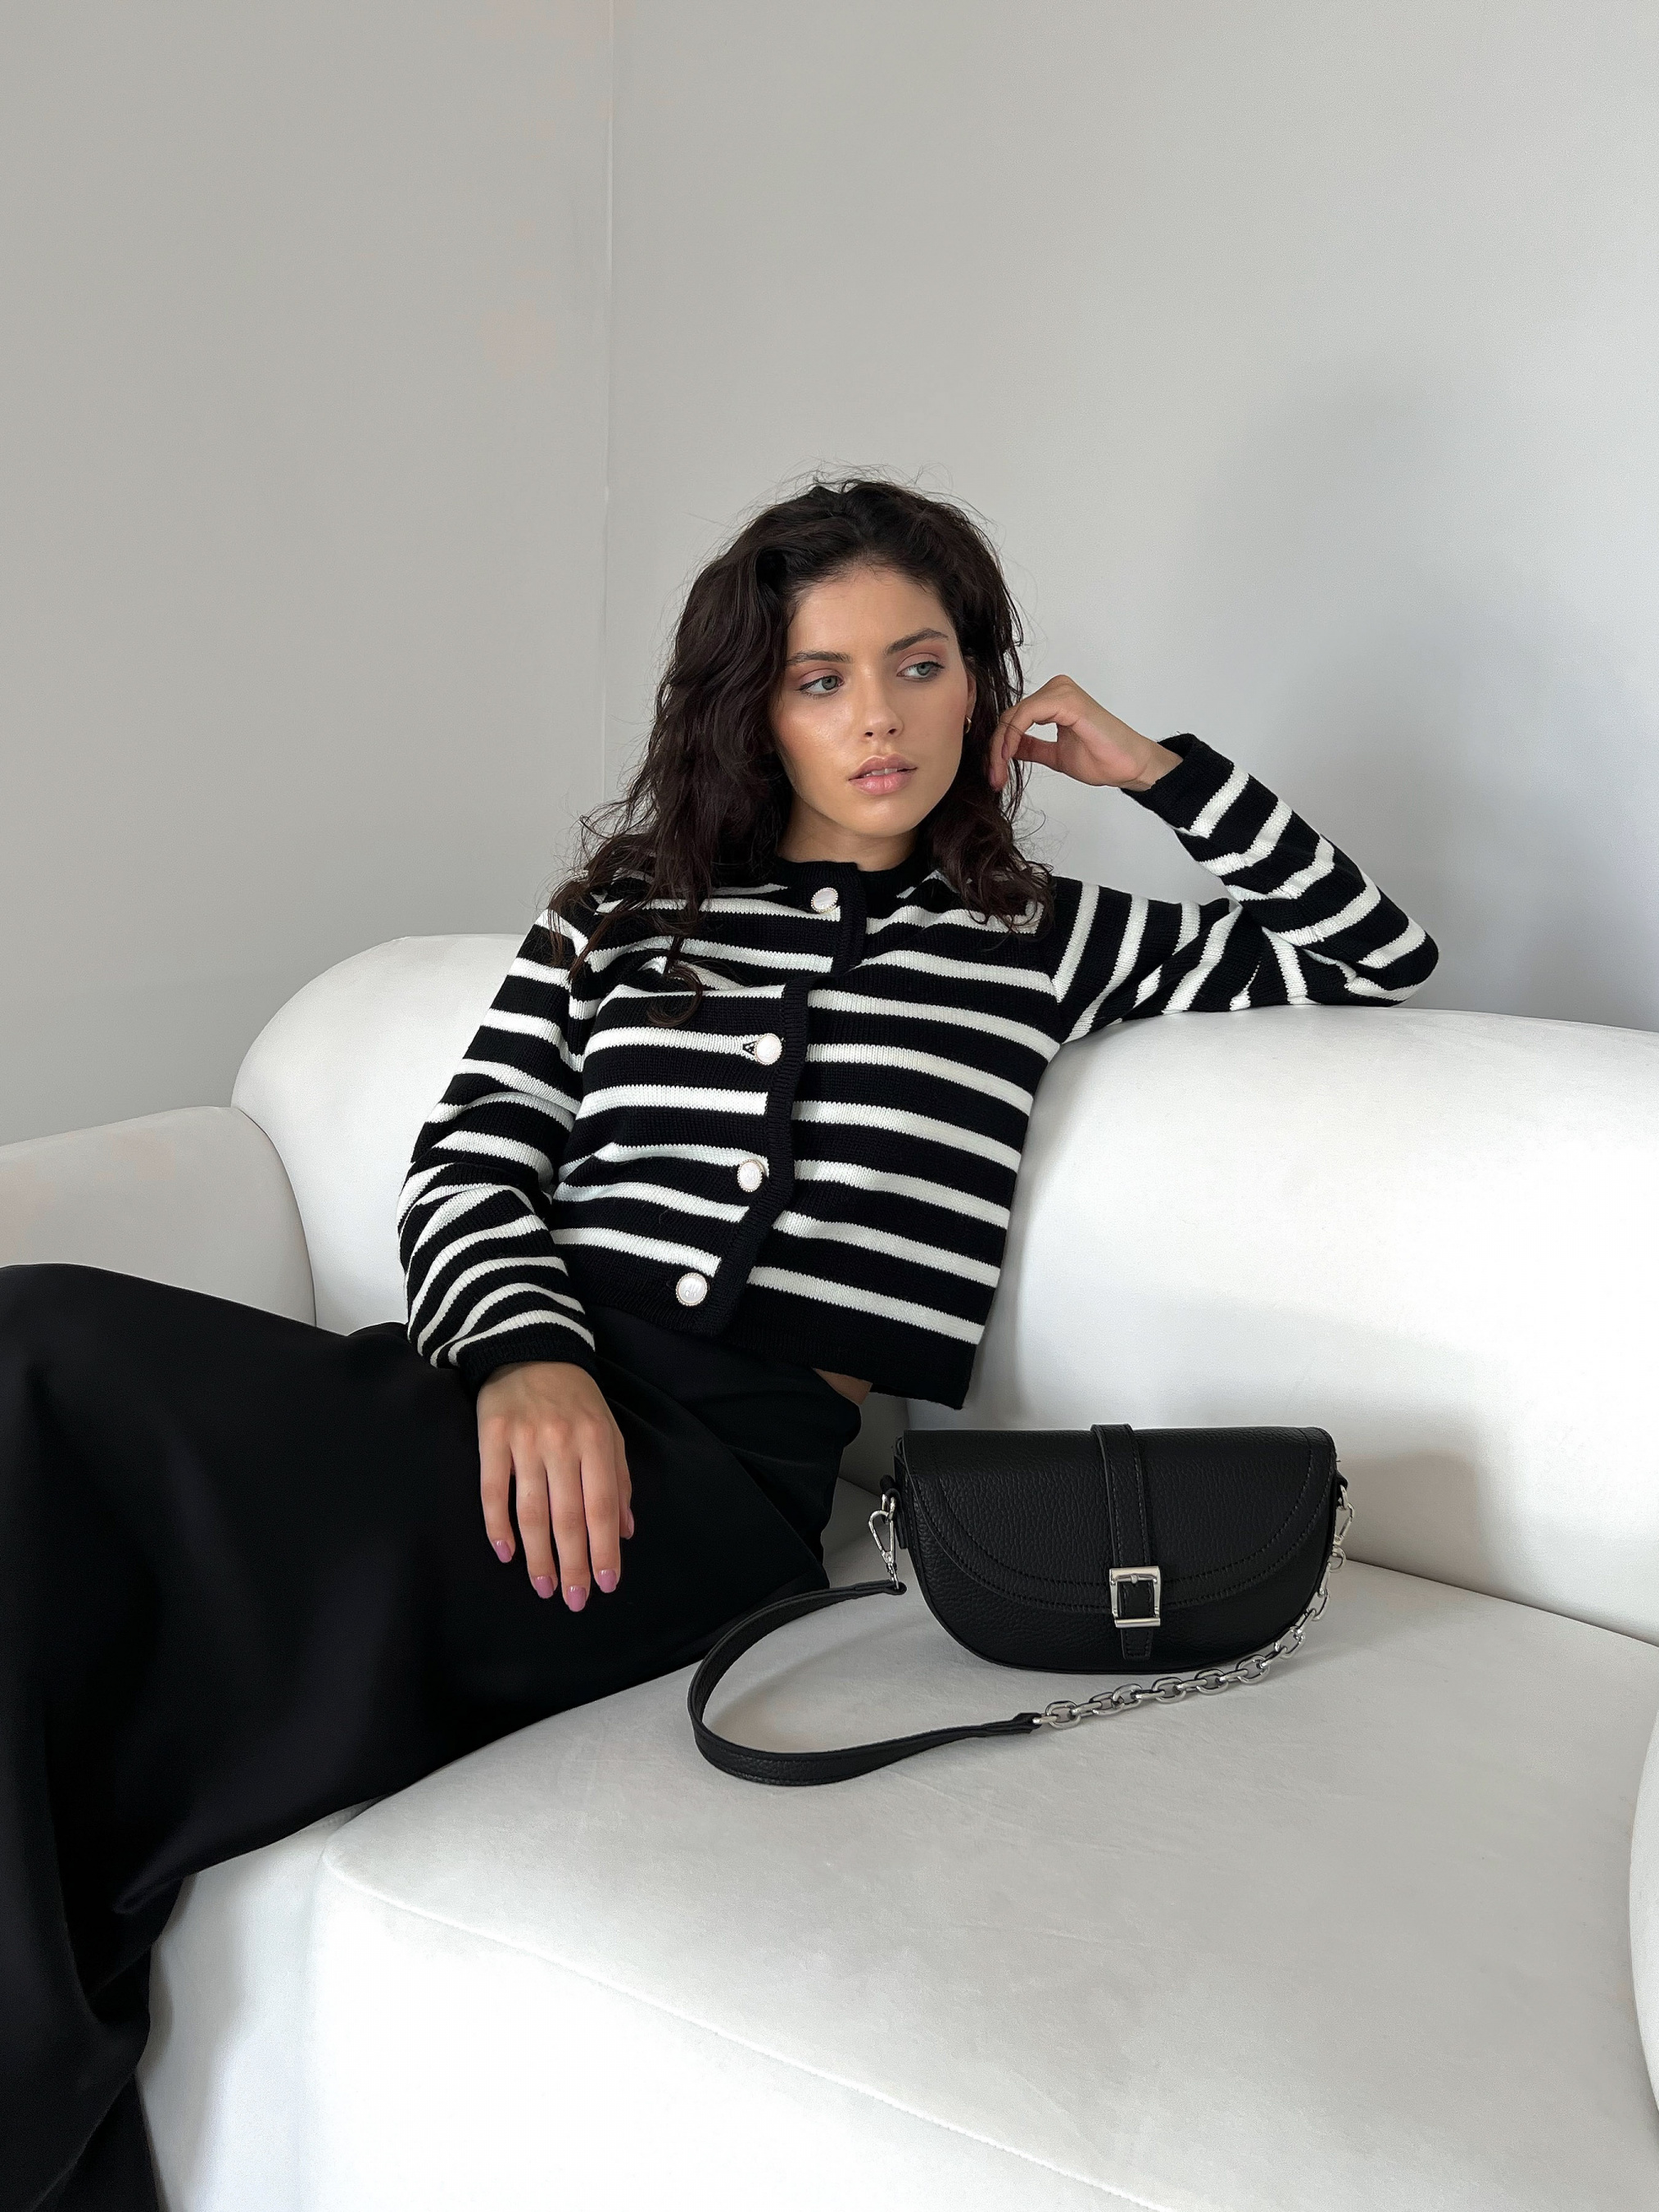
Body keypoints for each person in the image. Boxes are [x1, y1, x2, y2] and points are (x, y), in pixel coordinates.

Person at [0, 477, 1437, 2209]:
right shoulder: (620, 912)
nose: (878, 716)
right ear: (753, 707)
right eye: (821, 678)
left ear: (981, 687)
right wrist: (524, 1354)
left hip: (708, 1478)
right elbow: (469, 1164)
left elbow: (1371, 952)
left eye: (919, 665)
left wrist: (1155, 772)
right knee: (35, 1375)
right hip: (485, 1388)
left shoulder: (1042, 939)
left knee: (59, 1432)